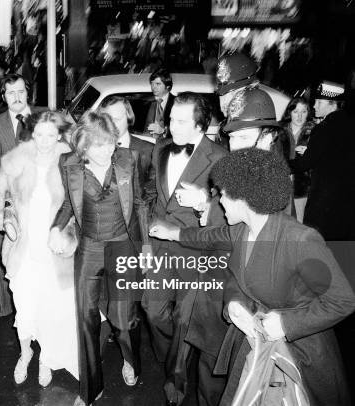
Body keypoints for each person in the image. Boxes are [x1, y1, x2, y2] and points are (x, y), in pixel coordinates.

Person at [150, 148, 355, 406]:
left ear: (243, 197)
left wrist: (286, 324)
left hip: (299, 356)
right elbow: (215, 246)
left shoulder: (299, 239)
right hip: (255, 345)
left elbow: (343, 300)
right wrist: (234, 303)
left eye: (223, 194)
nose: (220, 201)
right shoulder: (241, 230)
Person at [50, 111, 150, 406]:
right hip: (90, 248)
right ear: (83, 147)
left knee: (123, 319)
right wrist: (56, 228)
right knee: (86, 319)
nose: (108, 151)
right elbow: (69, 204)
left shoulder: (128, 159)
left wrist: (146, 248)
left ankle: (131, 359)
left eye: (111, 143)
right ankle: (91, 388)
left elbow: (141, 203)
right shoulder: (68, 165)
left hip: (122, 246)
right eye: (100, 145)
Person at [141, 92, 228, 406]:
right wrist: (147, 241)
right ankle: (175, 358)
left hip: (195, 252)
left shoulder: (219, 157)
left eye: (180, 121)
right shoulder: (161, 149)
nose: (170, 126)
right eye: (170, 119)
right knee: (152, 312)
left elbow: (224, 212)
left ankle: (175, 386)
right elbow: (152, 195)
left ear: (199, 125)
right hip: (160, 250)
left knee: (182, 321)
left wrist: (204, 202)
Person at [0, 110, 78, 387]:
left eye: (50, 135)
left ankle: (46, 358)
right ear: (32, 134)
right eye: (39, 134)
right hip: (24, 247)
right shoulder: (15, 160)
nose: (44, 141)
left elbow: (77, 207)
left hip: (54, 249)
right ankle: (26, 352)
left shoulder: (70, 162)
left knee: (50, 308)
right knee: (24, 307)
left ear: (59, 135)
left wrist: (67, 235)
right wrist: (3, 217)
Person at [0, 74, 43, 318]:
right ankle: (8, 307)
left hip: (40, 198)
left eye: (20, 91)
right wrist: (5, 174)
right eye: (10, 93)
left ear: (27, 92)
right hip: (10, 198)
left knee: (39, 254)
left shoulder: (43, 116)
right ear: (3, 97)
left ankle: (41, 307)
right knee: (6, 252)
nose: (16, 97)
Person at [290, 81, 355, 242]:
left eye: (319, 102)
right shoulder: (351, 124)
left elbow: (304, 164)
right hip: (347, 202)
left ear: (332, 104)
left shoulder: (324, 127)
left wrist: (283, 162)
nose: (314, 105)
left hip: (324, 203)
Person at [280, 97, 315, 222]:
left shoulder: (315, 132)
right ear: (289, 112)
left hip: (304, 188)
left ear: (308, 113)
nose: (299, 116)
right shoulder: (278, 131)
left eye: (303, 112)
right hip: (281, 187)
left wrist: (311, 152)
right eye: (296, 112)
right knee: (282, 225)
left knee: (300, 224)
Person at [144, 68, 175, 140]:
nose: (153, 87)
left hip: (167, 144)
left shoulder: (177, 103)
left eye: (158, 84)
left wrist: (163, 131)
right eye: (152, 83)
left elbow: (181, 129)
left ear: (168, 86)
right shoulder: (145, 102)